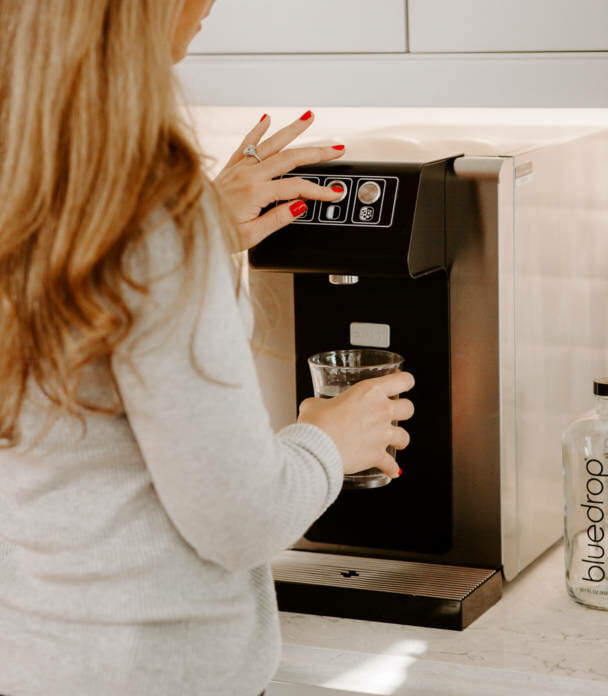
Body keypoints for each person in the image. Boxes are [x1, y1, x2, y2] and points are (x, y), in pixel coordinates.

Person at [0, 1, 414, 695]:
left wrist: (199, 231)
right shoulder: (150, 205)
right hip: (161, 673)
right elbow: (240, 520)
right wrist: (329, 439)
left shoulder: (34, 176)